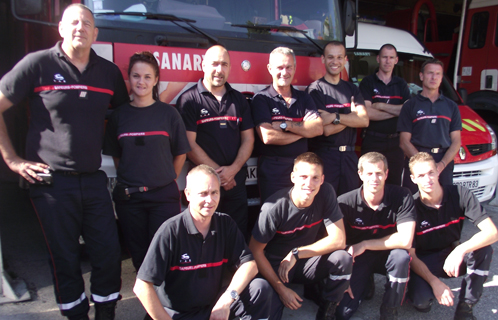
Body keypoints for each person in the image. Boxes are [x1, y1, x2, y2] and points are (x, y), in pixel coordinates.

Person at [0, 4, 128, 320]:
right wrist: (13, 160)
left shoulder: (108, 72)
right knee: (65, 258)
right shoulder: (37, 64)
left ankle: (107, 313)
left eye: (87, 23)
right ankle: (75, 315)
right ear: (60, 28)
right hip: (52, 184)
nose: (79, 28)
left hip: (94, 178)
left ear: (96, 33)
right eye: (73, 22)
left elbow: (126, 116)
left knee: (108, 253)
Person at [134, 165, 272, 320]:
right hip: (177, 314)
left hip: (212, 309)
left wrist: (226, 300)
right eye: (203, 194)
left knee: (260, 288)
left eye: (214, 192)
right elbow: (142, 286)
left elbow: (249, 265)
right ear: (188, 194)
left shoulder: (225, 224)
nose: (210, 200)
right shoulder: (171, 231)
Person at [103, 51, 190, 271]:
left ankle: (167, 302)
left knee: (165, 253)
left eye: (147, 76)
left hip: (163, 196)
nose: (141, 81)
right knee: (140, 256)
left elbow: (181, 152)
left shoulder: (168, 114)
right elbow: (117, 156)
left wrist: (167, 177)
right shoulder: (118, 116)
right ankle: (149, 302)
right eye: (136, 76)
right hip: (130, 199)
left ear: (156, 80)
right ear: (129, 78)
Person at [250, 152, 352, 320]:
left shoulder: (326, 192)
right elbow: (255, 251)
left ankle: (327, 312)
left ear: (322, 179)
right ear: (293, 177)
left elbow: (339, 240)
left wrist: (297, 253)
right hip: (277, 265)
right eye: (303, 176)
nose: (309, 184)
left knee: (343, 258)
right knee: (271, 314)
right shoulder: (274, 207)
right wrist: (281, 290)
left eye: (315, 178)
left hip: (304, 260)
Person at [407, 152, 498, 320]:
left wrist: (460, 250)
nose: (428, 179)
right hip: (425, 260)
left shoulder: (460, 194)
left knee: (483, 249)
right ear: (413, 179)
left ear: (438, 171)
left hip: (452, 251)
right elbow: (410, 255)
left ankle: (466, 307)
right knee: (421, 302)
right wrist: (435, 282)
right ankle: (425, 289)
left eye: (431, 172)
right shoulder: (411, 207)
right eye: (421, 175)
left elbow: (492, 233)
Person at [176, 45, 254, 235]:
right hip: (204, 189)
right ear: (203, 65)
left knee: (236, 235)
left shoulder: (239, 100)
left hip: (235, 184)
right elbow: (189, 144)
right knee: (204, 237)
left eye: (224, 65)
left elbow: (249, 140)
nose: (219, 70)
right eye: (215, 64)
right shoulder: (189, 100)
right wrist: (217, 176)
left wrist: (232, 171)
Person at [336, 152, 416, 320]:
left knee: (401, 256)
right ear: (360, 174)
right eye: (369, 173)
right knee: (342, 313)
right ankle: (365, 281)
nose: (375, 178)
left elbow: (405, 240)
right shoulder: (344, 202)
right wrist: (344, 278)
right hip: (358, 258)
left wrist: (365, 244)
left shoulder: (402, 196)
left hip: (387, 254)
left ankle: (389, 308)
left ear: (386, 174)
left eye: (379, 173)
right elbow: (336, 244)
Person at [252, 47, 323, 203]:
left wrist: (286, 126)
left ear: (295, 69)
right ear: (270, 69)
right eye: (280, 67)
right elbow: (268, 136)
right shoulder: (261, 99)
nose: (284, 72)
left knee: (299, 213)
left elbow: (318, 128)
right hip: (273, 170)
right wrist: (304, 131)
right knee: (273, 214)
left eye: (289, 67)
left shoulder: (304, 98)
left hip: (302, 170)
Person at [307, 41, 368, 196]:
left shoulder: (352, 88)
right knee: (325, 204)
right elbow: (325, 129)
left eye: (339, 57)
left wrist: (334, 116)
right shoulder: (316, 89)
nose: (335, 61)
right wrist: (352, 116)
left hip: (349, 157)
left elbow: (364, 120)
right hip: (326, 157)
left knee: (350, 204)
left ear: (345, 60)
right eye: (331, 57)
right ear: (323, 59)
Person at [397, 59, 461, 193]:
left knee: (443, 205)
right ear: (421, 76)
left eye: (438, 74)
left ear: (441, 78)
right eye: (430, 73)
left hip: (443, 162)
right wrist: (424, 165)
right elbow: (404, 142)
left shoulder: (451, 106)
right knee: (413, 204)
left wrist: (441, 165)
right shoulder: (410, 105)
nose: (434, 77)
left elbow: (456, 141)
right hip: (416, 160)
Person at [359, 44, 410, 186]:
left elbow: (408, 111)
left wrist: (380, 106)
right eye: (384, 57)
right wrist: (396, 112)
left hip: (396, 144)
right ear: (378, 59)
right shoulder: (368, 82)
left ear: (396, 60)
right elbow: (367, 113)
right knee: (370, 183)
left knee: (394, 185)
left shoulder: (401, 84)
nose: (388, 61)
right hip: (373, 140)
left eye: (391, 57)